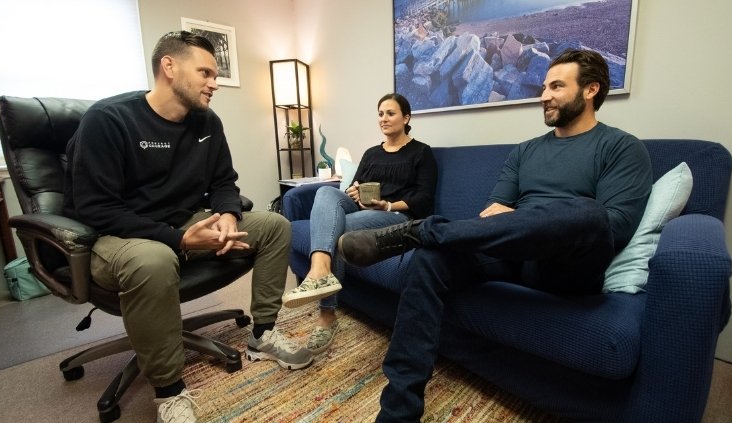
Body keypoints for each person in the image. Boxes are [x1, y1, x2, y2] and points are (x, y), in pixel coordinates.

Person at [337, 50, 653, 421]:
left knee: (586, 211)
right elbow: (493, 214)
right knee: (430, 260)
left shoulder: (621, 147)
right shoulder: (526, 151)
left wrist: (536, 217)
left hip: (567, 264)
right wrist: (518, 222)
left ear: (591, 90)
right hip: (511, 250)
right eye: (544, 86)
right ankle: (397, 412)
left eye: (556, 86)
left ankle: (420, 230)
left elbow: (611, 228)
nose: (544, 95)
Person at [63, 31, 312, 423]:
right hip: (119, 236)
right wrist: (179, 239)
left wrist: (228, 215)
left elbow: (223, 182)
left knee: (275, 225)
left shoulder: (206, 122)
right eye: (206, 73)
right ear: (169, 67)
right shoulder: (108, 120)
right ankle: (169, 392)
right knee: (154, 261)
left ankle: (263, 335)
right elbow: (97, 208)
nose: (215, 83)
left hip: (184, 223)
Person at [280, 93, 438, 354]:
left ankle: (327, 316)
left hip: (395, 215)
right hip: (362, 209)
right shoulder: (372, 153)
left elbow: (423, 198)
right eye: (380, 114)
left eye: (390, 113)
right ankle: (320, 271)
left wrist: (386, 204)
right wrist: (354, 191)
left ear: (406, 117)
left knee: (336, 229)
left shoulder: (422, 152)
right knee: (326, 192)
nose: (383, 119)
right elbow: (357, 183)